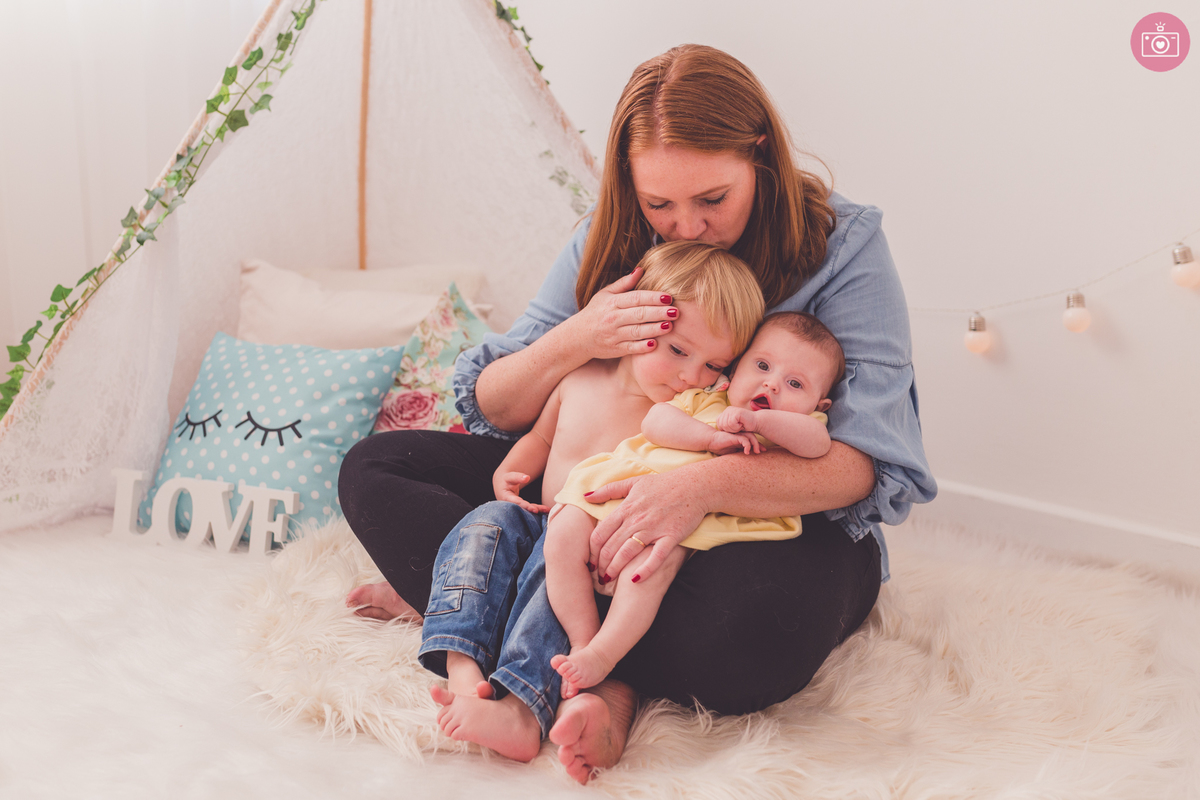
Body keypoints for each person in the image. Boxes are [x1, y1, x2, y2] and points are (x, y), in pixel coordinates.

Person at [339, 44, 936, 784]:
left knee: (762, 633)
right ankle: (529, 607)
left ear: (759, 155)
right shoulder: (613, 235)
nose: (685, 227)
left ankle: (560, 651)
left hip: (750, 521)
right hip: (582, 492)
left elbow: (863, 464)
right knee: (378, 465)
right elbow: (495, 405)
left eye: (712, 199)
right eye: (660, 204)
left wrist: (695, 491)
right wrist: (578, 337)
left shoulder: (843, 246)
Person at [416, 239, 766, 761]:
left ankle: (522, 703)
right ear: (634, 326)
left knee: (549, 565)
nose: (693, 375)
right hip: (541, 516)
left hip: (595, 546)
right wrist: (512, 473)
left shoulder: (692, 411)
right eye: (677, 351)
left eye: (716, 365)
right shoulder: (580, 377)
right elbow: (539, 438)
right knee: (482, 527)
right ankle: (461, 660)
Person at [548, 310, 844, 698]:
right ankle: (582, 637)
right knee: (561, 534)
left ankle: (604, 654)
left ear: (818, 406)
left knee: (650, 570)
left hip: (688, 524)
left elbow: (818, 446)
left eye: (794, 383)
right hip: (626, 488)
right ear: (735, 371)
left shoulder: (800, 427)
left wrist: (762, 424)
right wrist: (707, 437)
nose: (771, 384)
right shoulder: (706, 398)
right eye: (762, 365)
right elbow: (656, 421)